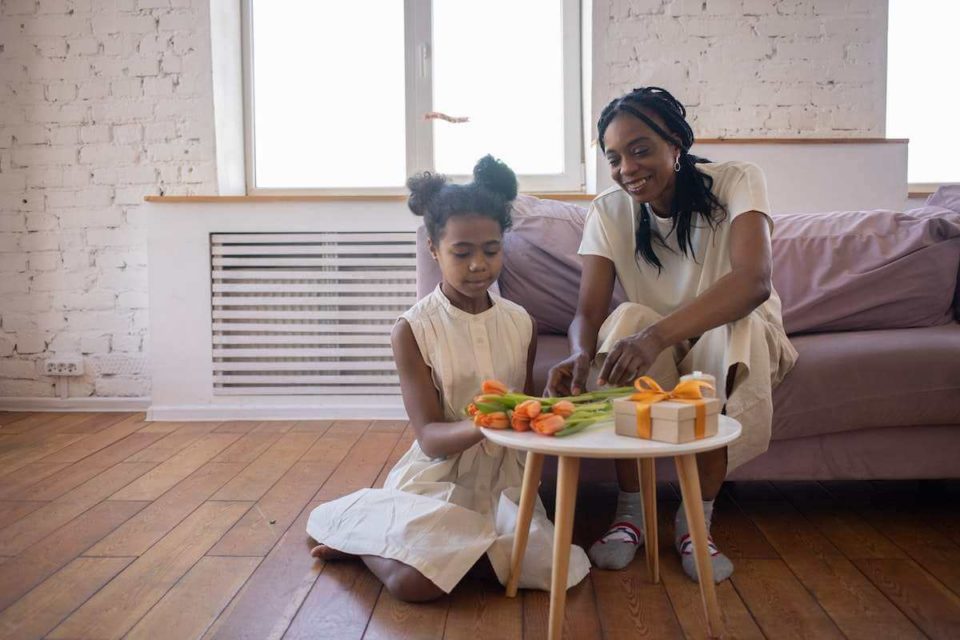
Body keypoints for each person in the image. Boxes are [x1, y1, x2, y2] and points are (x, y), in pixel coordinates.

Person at [307, 155, 590, 601]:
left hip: (507, 482)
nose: (478, 265)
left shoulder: (521, 322)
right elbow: (430, 438)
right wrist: (486, 422)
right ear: (434, 249)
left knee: (548, 567)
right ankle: (366, 543)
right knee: (418, 584)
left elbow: (528, 421)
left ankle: (393, 539)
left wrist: (548, 407)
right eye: (462, 252)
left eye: (492, 250)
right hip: (440, 476)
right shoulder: (412, 329)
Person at [547, 87, 798, 583]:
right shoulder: (608, 210)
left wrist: (657, 338)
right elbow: (588, 311)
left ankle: (695, 523)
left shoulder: (738, 181)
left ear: (676, 146)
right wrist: (580, 353)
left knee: (730, 335)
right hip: (658, 335)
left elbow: (752, 282)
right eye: (614, 158)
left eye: (641, 149)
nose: (627, 169)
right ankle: (631, 514)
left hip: (729, 325)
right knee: (622, 324)